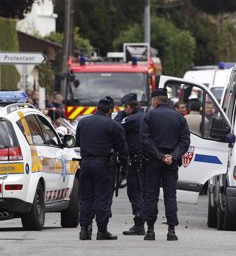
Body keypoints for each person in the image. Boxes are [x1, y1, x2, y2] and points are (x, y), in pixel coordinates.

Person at [140, 89, 190, 241]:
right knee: (170, 196)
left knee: (150, 196)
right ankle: (171, 230)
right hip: (171, 163)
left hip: (153, 161)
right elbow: (185, 141)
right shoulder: (179, 118)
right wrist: (173, 156)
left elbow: (145, 139)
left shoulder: (149, 116)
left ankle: (150, 230)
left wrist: (160, 156)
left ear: (155, 100)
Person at [75, 98, 128, 241]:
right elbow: (122, 148)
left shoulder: (83, 122)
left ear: (96, 108)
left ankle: (84, 230)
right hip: (104, 165)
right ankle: (102, 231)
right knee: (102, 199)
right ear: (110, 111)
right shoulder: (113, 125)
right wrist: (125, 167)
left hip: (85, 164)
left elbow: (78, 142)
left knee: (86, 198)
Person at [114, 93, 146, 236]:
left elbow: (116, 127)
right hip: (143, 160)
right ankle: (142, 222)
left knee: (134, 191)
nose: (123, 109)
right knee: (141, 191)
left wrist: (120, 114)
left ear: (128, 106)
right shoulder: (143, 116)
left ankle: (139, 223)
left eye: (124, 107)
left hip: (136, 161)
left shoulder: (133, 119)